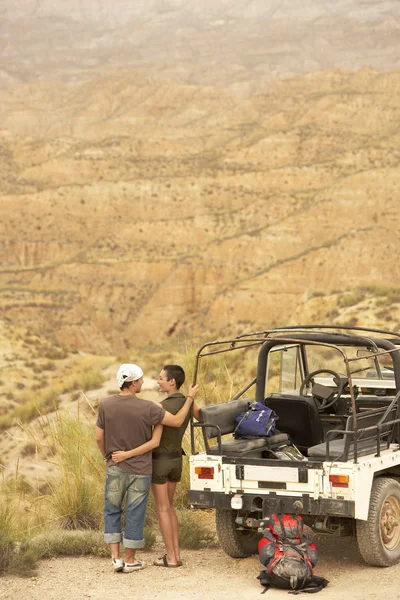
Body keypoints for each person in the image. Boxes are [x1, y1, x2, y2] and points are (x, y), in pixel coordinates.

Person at [95, 363, 198, 574]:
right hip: (159, 464)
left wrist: (112, 456)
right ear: (133, 383)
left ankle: (117, 558)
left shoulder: (109, 404)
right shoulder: (151, 407)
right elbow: (185, 420)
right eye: (142, 379)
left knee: (116, 509)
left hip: (133, 464)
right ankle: (149, 558)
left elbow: (99, 437)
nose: (148, 381)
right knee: (147, 511)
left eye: (160, 378)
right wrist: (190, 397)